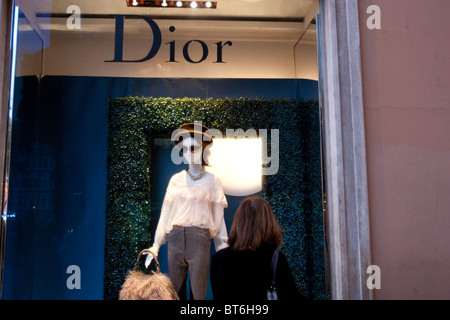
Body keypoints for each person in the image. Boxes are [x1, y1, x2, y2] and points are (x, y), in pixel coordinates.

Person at [144, 122, 228, 300]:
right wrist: (156, 245)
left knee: (199, 293)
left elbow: (219, 220)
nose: (190, 152)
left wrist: (223, 248)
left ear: (204, 150)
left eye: (195, 148)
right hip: (175, 240)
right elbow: (165, 215)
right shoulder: (176, 180)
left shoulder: (213, 181)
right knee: (175, 293)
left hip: (200, 239)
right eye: (186, 148)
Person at [210, 196, 305, 301]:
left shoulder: (219, 259)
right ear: (268, 222)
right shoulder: (275, 258)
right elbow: (290, 295)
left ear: (238, 221)